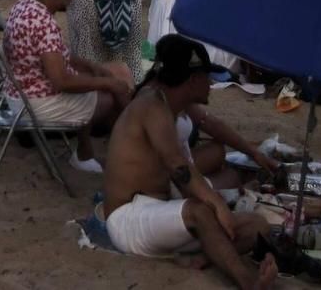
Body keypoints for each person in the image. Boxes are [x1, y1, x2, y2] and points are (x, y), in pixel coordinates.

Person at [101, 35, 277, 289]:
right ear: (193, 80)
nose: (211, 84)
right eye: (208, 77)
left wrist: (255, 153)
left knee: (257, 225)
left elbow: (212, 126)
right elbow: (178, 167)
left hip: (162, 210)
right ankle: (249, 283)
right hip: (128, 218)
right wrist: (218, 205)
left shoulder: (171, 100)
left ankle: (201, 258)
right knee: (202, 210)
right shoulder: (151, 104)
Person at [6, 0, 134, 169]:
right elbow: (61, 81)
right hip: (36, 103)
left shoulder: (27, 5)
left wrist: (93, 68)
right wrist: (106, 83)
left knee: (118, 70)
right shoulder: (42, 23)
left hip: (19, 93)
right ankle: (123, 148)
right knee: (115, 92)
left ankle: (110, 145)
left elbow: (59, 55)